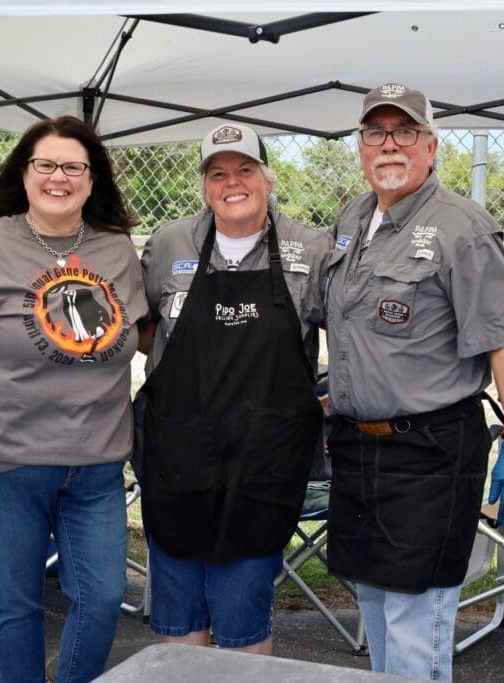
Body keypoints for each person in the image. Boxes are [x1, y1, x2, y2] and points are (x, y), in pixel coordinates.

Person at [0, 116, 147, 683]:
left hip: (96, 462)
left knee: (105, 595)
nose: (58, 177)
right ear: (25, 172)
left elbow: (144, 329)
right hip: (4, 459)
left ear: (92, 181)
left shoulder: (116, 250)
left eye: (74, 167)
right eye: (46, 165)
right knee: (17, 605)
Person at [323, 83, 504, 681]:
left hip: (431, 450)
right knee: (372, 601)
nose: (390, 145)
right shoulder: (352, 218)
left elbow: (503, 340)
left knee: (418, 618)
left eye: (405, 132)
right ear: (361, 148)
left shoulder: (461, 229)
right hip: (359, 444)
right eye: (376, 133)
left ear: (432, 146)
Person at [137, 123, 332, 655]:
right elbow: (142, 330)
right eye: (218, 173)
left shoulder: (311, 249)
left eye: (245, 169)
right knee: (177, 611)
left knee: (244, 609)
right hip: (177, 452)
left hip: (264, 460)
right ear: (205, 186)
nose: (232, 182)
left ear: (267, 179)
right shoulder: (169, 243)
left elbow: (353, 335)